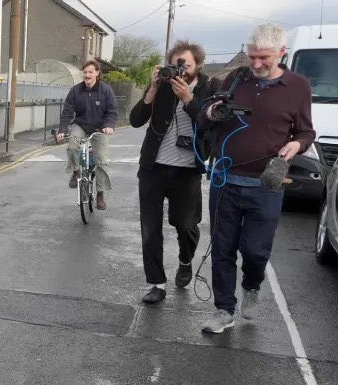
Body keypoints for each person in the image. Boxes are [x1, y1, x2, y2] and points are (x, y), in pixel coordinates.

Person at [198, 23, 314, 334]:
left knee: (255, 250)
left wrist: (297, 144)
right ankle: (224, 310)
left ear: (282, 53)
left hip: (265, 185)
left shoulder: (298, 86)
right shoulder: (236, 78)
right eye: (252, 57)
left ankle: (252, 285)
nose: (257, 64)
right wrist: (211, 112)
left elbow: (306, 131)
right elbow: (204, 114)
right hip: (225, 180)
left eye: (265, 58)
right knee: (222, 248)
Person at [129, 41, 218, 305]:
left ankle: (185, 259)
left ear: (198, 65)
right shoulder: (163, 85)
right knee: (150, 228)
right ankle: (156, 283)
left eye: (185, 65)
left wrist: (188, 99)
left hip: (187, 170)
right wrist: (152, 89)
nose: (180, 70)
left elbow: (211, 124)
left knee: (186, 224)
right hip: (153, 167)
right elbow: (135, 120)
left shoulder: (210, 88)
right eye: (175, 64)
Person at [56, 60, 117, 210]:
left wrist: (109, 126)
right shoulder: (75, 90)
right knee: (72, 146)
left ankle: (100, 195)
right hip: (81, 125)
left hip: (100, 128)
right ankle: (76, 171)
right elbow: (67, 112)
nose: (87, 75)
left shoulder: (106, 90)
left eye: (90, 72)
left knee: (101, 161)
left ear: (97, 73)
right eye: (85, 72)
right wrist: (62, 130)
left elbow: (112, 111)